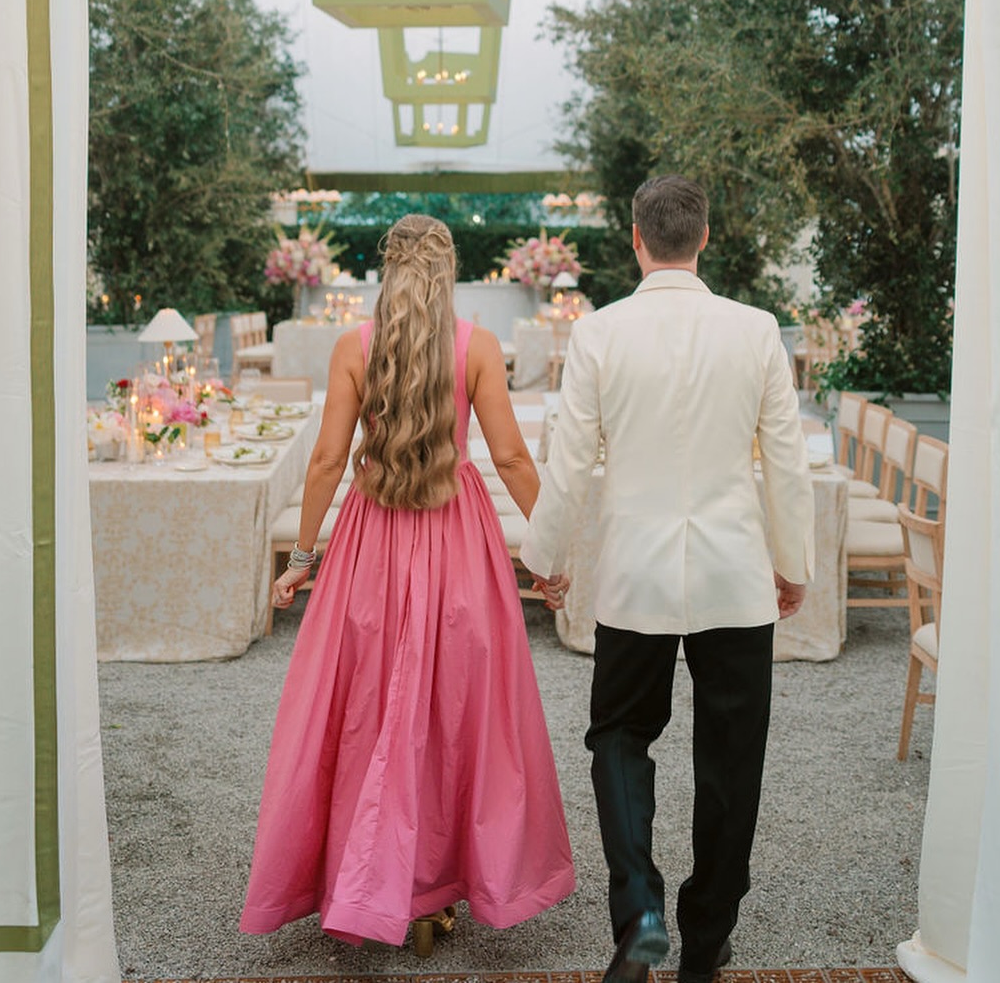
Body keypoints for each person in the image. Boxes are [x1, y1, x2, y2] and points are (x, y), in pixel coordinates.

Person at [240, 213, 575, 950]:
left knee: (365, 706)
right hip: (457, 539)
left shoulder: (354, 347)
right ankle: (435, 889)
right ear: (448, 269)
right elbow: (515, 462)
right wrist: (552, 558)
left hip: (372, 542)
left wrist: (300, 561)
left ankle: (365, 880)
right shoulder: (477, 347)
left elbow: (327, 461)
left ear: (385, 270)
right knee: (456, 710)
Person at [521, 176, 814, 983]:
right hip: (732, 578)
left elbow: (569, 461)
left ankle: (639, 912)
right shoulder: (756, 331)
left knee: (618, 737)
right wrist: (793, 565)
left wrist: (546, 560)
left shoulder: (599, 333)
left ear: (635, 240)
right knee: (731, 759)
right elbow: (784, 463)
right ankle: (706, 938)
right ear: (705, 238)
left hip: (636, 578)